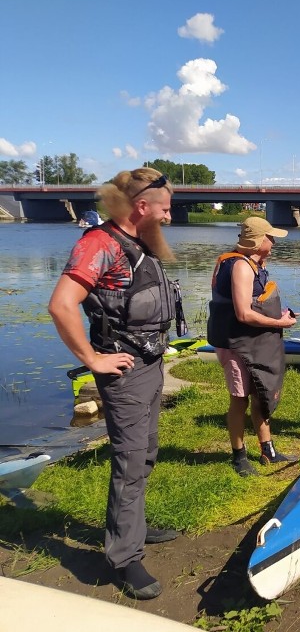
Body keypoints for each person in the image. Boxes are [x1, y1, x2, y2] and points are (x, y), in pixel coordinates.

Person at [48, 168, 180, 600]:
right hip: (124, 373)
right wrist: (92, 359)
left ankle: (133, 528)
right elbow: (61, 304)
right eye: (164, 208)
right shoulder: (99, 244)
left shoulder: (140, 243)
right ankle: (123, 558)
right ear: (141, 207)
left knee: (146, 453)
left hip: (150, 363)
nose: (169, 217)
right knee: (129, 459)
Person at [207, 216, 299, 477]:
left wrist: (279, 313)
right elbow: (243, 314)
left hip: (253, 341)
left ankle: (267, 449)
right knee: (240, 399)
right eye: (270, 237)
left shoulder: (255, 264)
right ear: (259, 241)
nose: (273, 241)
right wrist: (279, 322)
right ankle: (239, 456)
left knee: (260, 393)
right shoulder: (240, 267)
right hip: (236, 343)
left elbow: (255, 302)